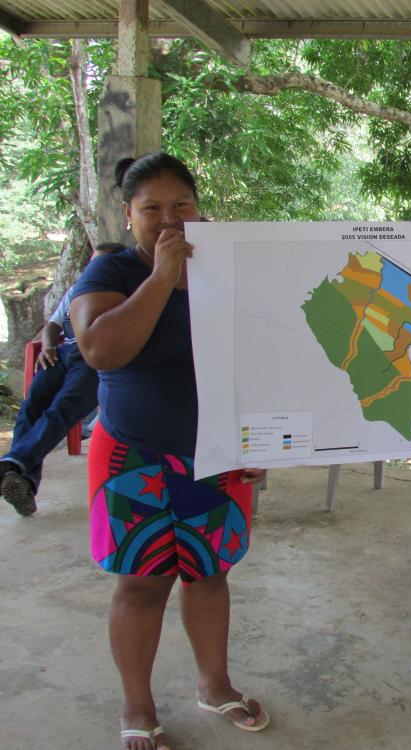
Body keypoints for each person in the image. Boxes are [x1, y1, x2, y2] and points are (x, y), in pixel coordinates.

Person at [70, 153, 268, 749]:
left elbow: (266, 351)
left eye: (180, 204)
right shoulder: (109, 275)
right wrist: (160, 278)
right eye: (150, 208)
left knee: (210, 576)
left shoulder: (227, 270)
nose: (167, 219)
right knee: (141, 583)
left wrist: (258, 433)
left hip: (214, 455)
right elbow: (102, 351)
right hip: (133, 456)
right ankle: (138, 705)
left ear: (198, 207)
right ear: (128, 216)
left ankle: (215, 688)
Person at [0, 242, 125, 516]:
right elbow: (53, 326)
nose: (93, 269)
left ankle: (15, 465)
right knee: (31, 406)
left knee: (63, 408)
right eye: (91, 263)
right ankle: (21, 477)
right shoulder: (76, 290)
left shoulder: (126, 293)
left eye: (100, 264)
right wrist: (47, 347)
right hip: (61, 353)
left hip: (93, 358)